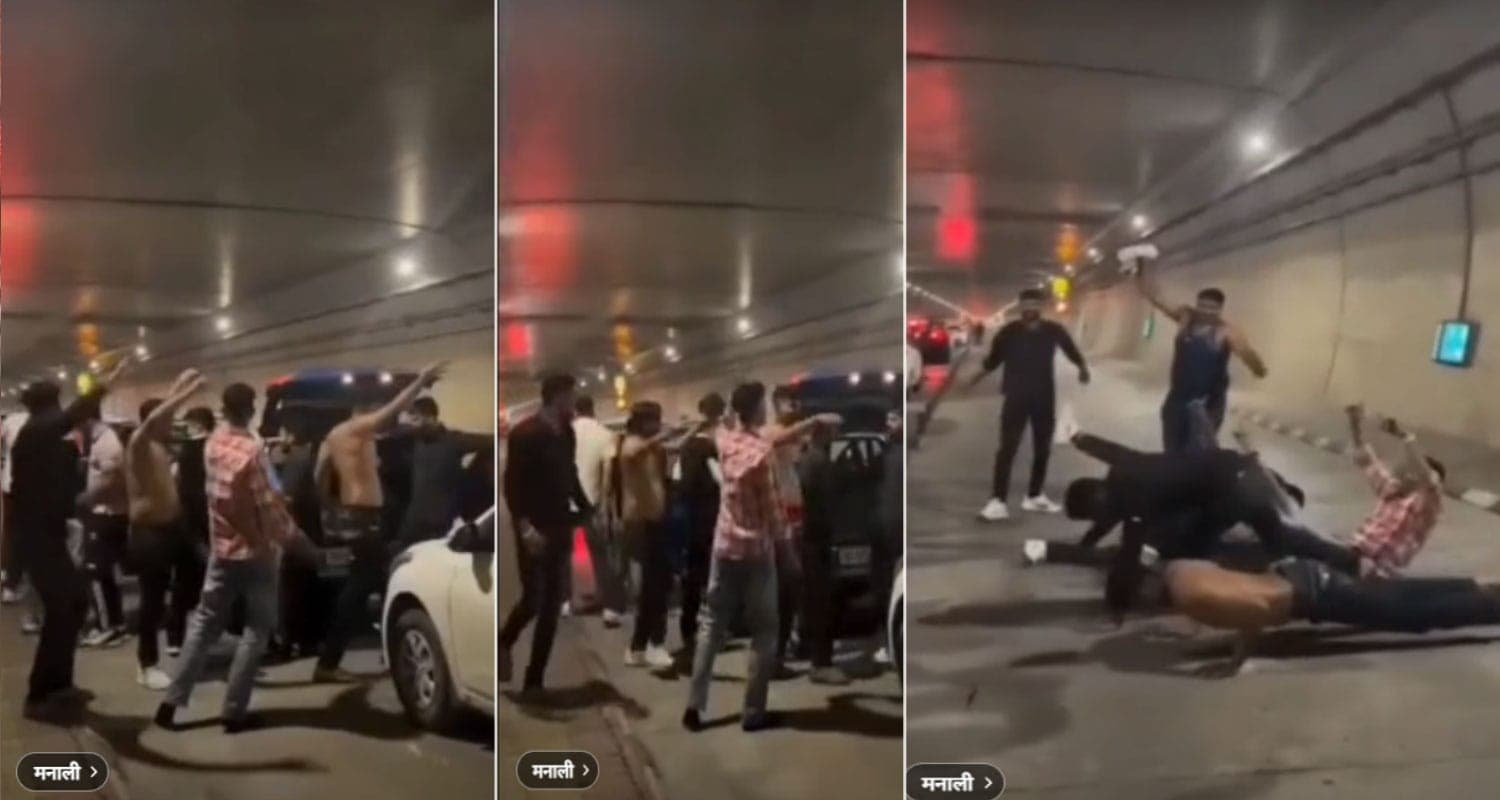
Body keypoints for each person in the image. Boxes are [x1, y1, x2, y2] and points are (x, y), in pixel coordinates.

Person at [156, 382, 315, 733]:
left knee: (203, 626)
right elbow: (268, 508)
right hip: (255, 552)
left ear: (224, 409)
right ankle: (233, 711)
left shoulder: (212, 444)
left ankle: (171, 703)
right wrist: (299, 543)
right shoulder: (251, 450)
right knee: (257, 630)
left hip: (221, 550)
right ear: (251, 408)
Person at [683, 381, 839, 733]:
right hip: (756, 553)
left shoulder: (725, 441)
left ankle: (694, 706)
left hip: (724, 548)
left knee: (710, 626)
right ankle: (753, 712)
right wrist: (789, 556)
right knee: (765, 633)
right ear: (757, 410)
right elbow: (774, 514)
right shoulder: (762, 457)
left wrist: (811, 421)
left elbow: (772, 436)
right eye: (763, 405)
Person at [313, 361, 446, 682]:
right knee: (374, 582)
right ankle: (336, 662)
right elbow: (390, 412)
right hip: (361, 519)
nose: (385, 421)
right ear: (365, 410)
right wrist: (421, 380)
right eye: (376, 413)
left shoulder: (341, 436)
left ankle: (352, 657)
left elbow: (320, 473)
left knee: (368, 583)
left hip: (359, 517)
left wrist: (329, 506)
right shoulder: (355, 429)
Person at [13, 358, 126, 717]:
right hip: (38, 537)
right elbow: (73, 414)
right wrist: (102, 384)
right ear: (50, 403)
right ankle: (40, 693)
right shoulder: (39, 430)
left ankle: (59, 683)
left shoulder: (37, 432)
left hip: (44, 534)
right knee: (65, 606)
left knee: (73, 604)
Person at [1166, 557, 1500, 674]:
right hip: (1297, 570)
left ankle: (1490, 605)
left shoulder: (1195, 596)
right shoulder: (1181, 570)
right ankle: (1479, 586)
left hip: (1318, 594)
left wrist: (1236, 660)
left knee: (1410, 614)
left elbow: (1256, 610)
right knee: (1400, 593)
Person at [500, 373, 591, 696]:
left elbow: (570, 472)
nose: (574, 402)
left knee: (553, 604)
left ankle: (534, 680)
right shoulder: (525, 434)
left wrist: (585, 506)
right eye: (571, 396)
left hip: (560, 524)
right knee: (533, 599)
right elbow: (511, 485)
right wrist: (524, 527)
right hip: (533, 528)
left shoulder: (565, 432)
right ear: (556, 397)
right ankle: (504, 640)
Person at [968, 288, 1090, 521]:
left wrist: (1082, 367)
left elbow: (1071, 350)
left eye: (1034, 305)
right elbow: (993, 361)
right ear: (1020, 307)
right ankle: (998, 501)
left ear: (1040, 308)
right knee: (1007, 450)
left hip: (1043, 398)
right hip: (1016, 399)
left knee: (1042, 449)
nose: (1029, 310)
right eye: (1025, 306)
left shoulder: (1054, 331)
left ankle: (1034, 495)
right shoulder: (1008, 332)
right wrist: (974, 378)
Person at [125, 375, 211, 689]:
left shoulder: (161, 445)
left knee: (200, 573)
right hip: (150, 534)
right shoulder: (139, 443)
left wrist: (179, 386)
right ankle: (146, 664)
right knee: (152, 600)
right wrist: (188, 391)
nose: (172, 424)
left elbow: (161, 414)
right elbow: (154, 419)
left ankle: (180, 630)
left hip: (175, 528)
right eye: (167, 420)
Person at [1135, 259, 1267, 452]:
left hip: (1209, 403)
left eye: (1212, 308)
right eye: (1202, 306)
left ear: (1220, 309)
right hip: (1178, 398)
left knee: (1198, 452)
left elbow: (1247, 353)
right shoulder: (1186, 317)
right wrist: (1141, 269)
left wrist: (1258, 369)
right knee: (1172, 449)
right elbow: (1156, 297)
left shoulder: (1227, 331)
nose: (1206, 311)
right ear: (1197, 304)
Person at [1342, 404, 1445, 577]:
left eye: (1413, 471)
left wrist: (1404, 435)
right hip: (1354, 552)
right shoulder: (1391, 488)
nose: (1406, 472)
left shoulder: (1426, 505)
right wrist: (1354, 423)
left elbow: (1427, 477)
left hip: (1382, 569)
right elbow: (1366, 458)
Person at [618, 401, 676, 669]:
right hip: (643, 524)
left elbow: (671, 448)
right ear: (643, 421)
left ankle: (640, 645)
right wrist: (662, 436)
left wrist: (689, 431)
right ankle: (653, 644)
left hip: (656, 522)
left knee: (658, 586)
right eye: (655, 420)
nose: (659, 424)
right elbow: (632, 453)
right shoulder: (631, 444)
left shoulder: (653, 447)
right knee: (654, 587)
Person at [398, 396, 492, 547]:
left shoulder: (454, 440)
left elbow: (491, 442)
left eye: (415, 418)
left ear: (429, 417)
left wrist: (471, 476)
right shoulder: (412, 441)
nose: (412, 424)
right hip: (414, 523)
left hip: (442, 523)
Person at [76, 398, 130, 649]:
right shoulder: (99, 440)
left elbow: (110, 479)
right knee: (106, 573)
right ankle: (116, 624)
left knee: (96, 573)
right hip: (106, 514)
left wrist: (84, 500)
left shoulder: (107, 444)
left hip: (105, 515)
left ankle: (106, 626)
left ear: (87, 420)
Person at [569, 394, 625, 627]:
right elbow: (608, 470)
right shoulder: (605, 434)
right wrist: (604, 504)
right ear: (593, 410)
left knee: (561, 556)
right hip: (591, 504)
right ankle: (611, 608)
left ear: (574, 410)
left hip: (565, 502)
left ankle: (564, 601)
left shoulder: (565, 432)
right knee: (601, 557)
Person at [677, 393, 725, 664]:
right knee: (711, 577)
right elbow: (721, 480)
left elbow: (678, 478)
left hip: (690, 516)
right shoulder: (709, 447)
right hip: (710, 517)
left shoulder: (688, 445)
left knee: (693, 577)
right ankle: (709, 630)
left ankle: (689, 630)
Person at [169, 406, 215, 657]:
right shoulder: (216, 450)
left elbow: (174, 484)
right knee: (212, 582)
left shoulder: (183, 455)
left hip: (186, 524)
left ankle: (175, 638)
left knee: (183, 582)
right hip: (211, 523)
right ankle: (210, 634)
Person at [1, 407, 30, 604]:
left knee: (11, 532)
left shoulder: (11, 420)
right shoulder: (44, 424)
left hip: (10, 485)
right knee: (23, 534)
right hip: (30, 488)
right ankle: (13, 580)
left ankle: (8, 575)